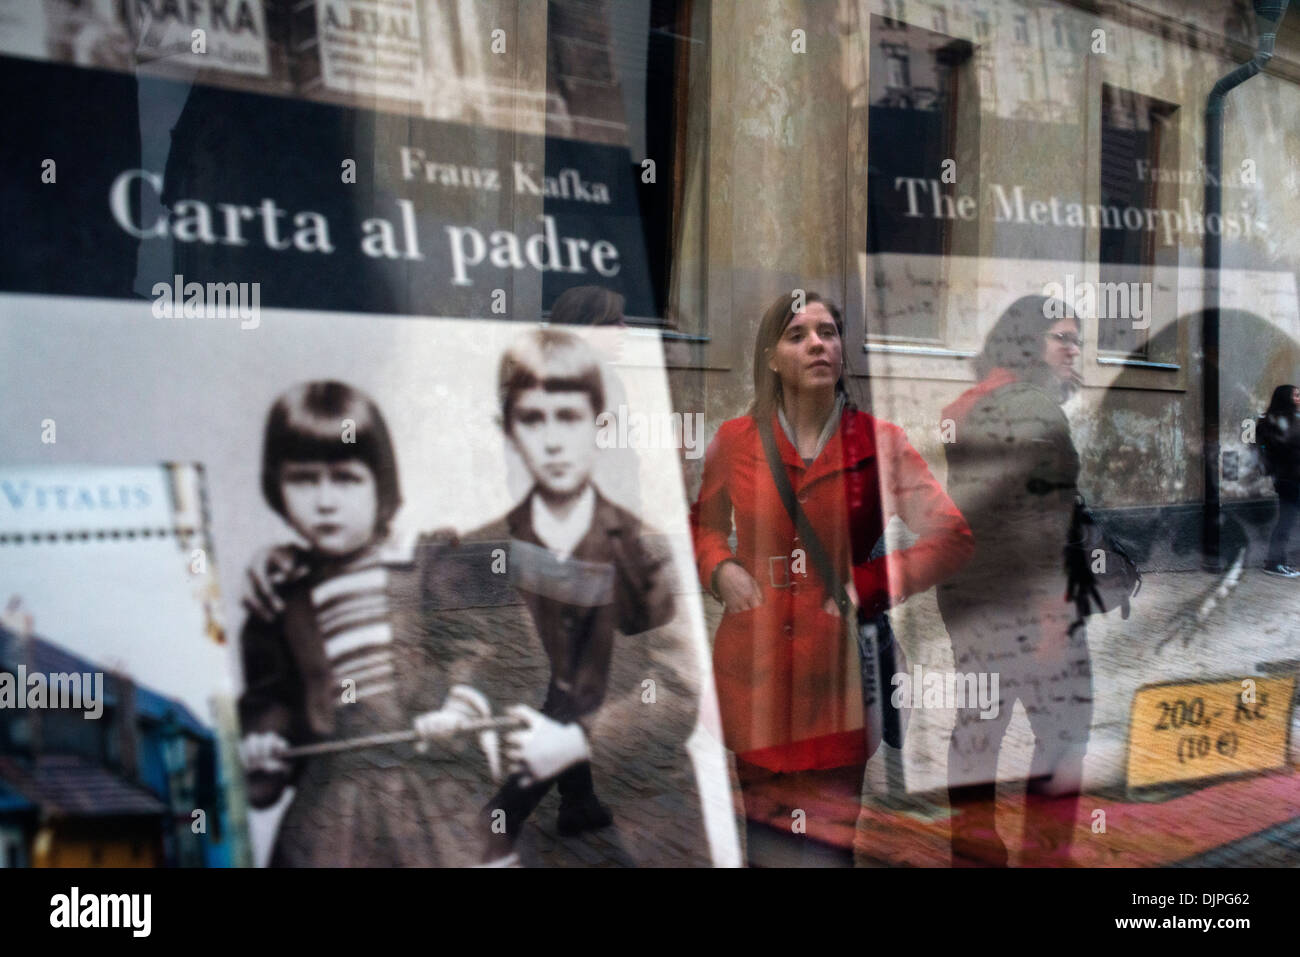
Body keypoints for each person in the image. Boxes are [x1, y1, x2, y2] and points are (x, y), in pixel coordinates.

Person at [690, 291, 973, 866]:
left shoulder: (881, 442)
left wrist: (868, 585)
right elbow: (702, 525)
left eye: (828, 332)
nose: (817, 343)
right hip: (755, 673)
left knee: (828, 850)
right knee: (766, 848)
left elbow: (952, 536)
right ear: (771, 358)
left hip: (838, 676)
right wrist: (720, 568)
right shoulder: (735, 441)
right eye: (798, 335)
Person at [419, 327, 711, 866]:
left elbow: (676, 688)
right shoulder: (480, 552)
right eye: (532, 419)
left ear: (599, 427)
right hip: (522, 826)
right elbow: (469, 653)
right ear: (506, 432)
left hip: (639, 814)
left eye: (569, 418)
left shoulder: (642, 549)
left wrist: (580, 741)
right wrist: (463, 707)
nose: (553, 441)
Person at [237, 381, 495, 867]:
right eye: (303, 479)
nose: (325, 500)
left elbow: (472, 649)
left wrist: (460, 708)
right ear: (278, 486)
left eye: (345, 478)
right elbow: (270, 696)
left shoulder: (426, 564)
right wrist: (267, 740)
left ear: (381, 483)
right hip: (334, 806)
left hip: (433, 785)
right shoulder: (281, 596)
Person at [937, 295, 1090, 867]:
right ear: (1028, 344)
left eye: (1077, 337)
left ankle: (973, 853)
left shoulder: (973, 404)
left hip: (970, 591)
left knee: (978, 726)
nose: (1075, 348)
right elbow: (1037, 524)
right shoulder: (1033, 409)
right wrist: (1053, 614)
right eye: (1062, 337)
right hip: (1026, 600)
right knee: (1066, 729)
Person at [1259, 384, 1300, 577]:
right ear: (1286, 398)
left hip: (1287, 478)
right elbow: (1287, 450)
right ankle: (1274, 563)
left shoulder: (1278, 421)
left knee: (1287, 521)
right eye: (1296, 395)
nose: (1299, 399)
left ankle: (1276, 562)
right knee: (1286, 521)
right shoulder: (1284, 423)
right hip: (1290, 478)